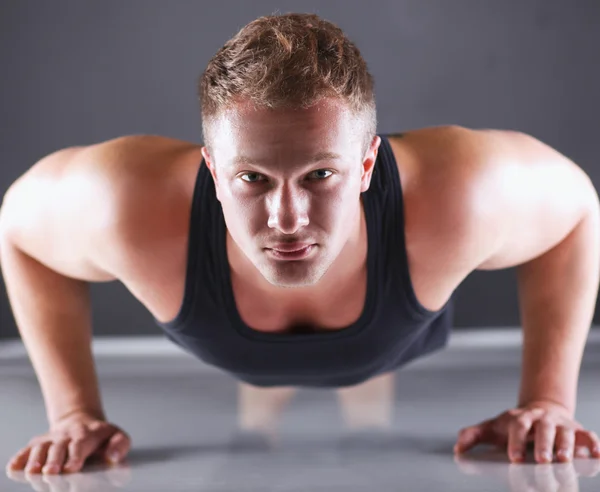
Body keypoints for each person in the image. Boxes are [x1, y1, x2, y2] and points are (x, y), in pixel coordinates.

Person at [1, 12, 599, 476]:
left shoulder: (459, 197)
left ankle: (330, 383)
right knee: (266, 401)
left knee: (364, 403)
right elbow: (18, 231)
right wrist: (74, 411)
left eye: (320, 175)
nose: (286, 219)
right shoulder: (126, 206)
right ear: (211, 171)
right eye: (252, 179)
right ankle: (273, 390)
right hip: (240, 342)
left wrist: (548, 399)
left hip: (392, 338)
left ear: (367, 165)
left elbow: (576, 212)